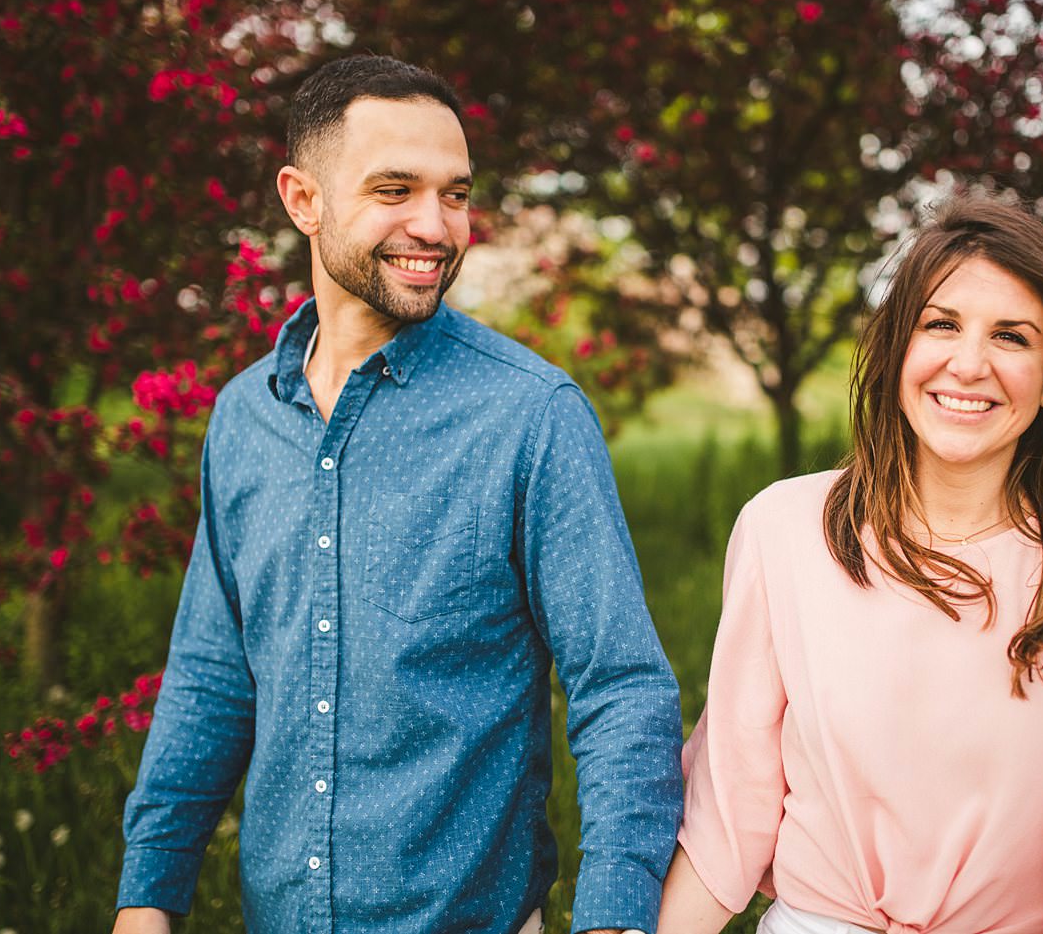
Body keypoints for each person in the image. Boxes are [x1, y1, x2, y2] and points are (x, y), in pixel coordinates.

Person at [112, 55, 683, 934]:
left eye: (455, 194)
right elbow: (213, 676)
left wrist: (613, 917)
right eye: (395, 189)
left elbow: (622, 689)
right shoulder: (242, 419)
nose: (437, 225)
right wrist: (147, 897)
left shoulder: (531, 417)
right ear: (303, 200)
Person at [656, 194, 1043, 934]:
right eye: (940, 324)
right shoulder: (785, 530)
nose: (968, 363)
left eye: (1011, 337)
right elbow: (729, 810)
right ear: (895, 351)